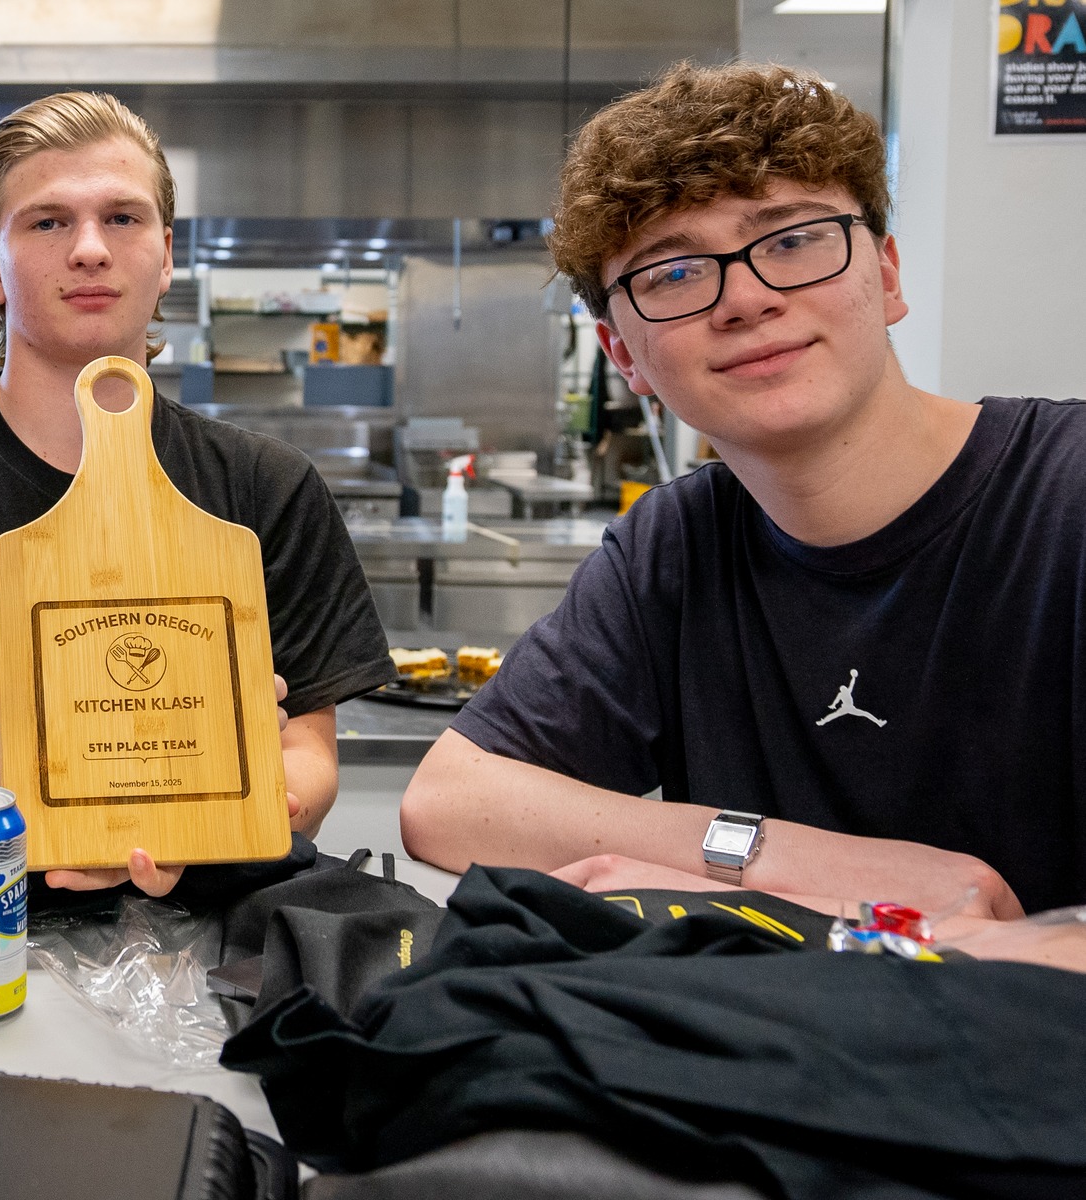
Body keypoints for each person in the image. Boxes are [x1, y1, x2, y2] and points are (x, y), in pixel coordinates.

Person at [400, 60, 1086, 918]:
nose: (746, 299)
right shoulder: (674, 547)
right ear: (624, 356)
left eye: (792, 240)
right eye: (673, 274)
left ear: (886, 275)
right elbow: (449, 802)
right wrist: (778, 855)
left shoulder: (1065, 497)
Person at [0, 91, 390, 896]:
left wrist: (237, 802)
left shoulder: (268, 488)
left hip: (218, 938)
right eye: (47, 222)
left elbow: (307, 762)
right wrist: (129, 762)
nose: (88, 249)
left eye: (122, 218)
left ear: (165, 255)